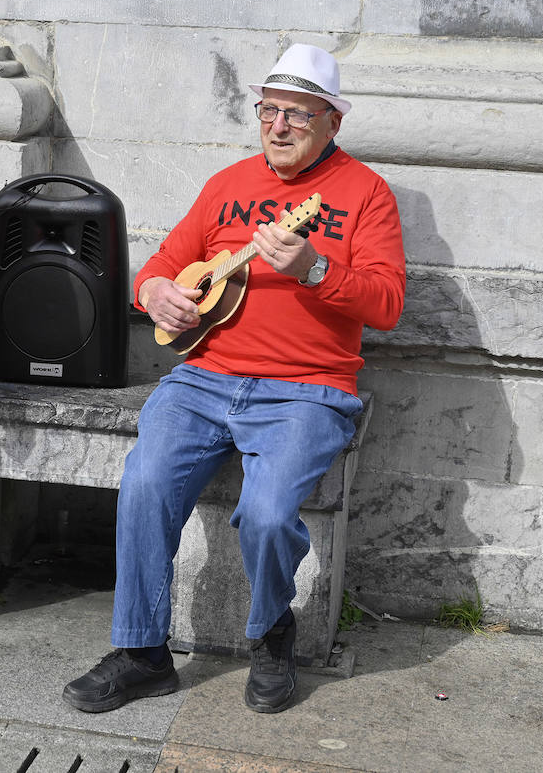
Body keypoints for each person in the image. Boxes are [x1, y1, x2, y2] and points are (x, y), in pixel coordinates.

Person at [61, 44, 405, 714]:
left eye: (297, 116)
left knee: (270, 514)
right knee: (145, 483)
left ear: (331, 122)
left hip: (307, 388)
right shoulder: (228, 184)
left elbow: (387, 303)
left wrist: (312, 268)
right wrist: (156, 292)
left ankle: (272, 630)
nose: (277, 126)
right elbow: (159, 267)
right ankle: (142, 654)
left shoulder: (365, 194)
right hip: (205, 377)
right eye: (268, 110)